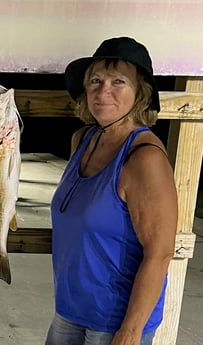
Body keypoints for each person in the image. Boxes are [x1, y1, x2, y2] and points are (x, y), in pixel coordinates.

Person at [46, 37, 178, 345]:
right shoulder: (83, 140)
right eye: (95, 80)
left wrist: (130, 332)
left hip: (114, 320)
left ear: (140, 93)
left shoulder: (144, 158)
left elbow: (160, 253)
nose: (103, 91)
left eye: (118, 81)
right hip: (69, 309)